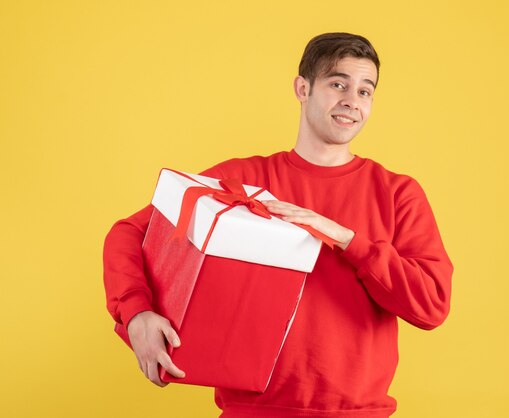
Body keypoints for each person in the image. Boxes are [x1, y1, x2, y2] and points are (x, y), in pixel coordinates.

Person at [103, 32, 453, 418]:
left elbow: (432, 304)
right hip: (252, 412)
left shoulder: (397, 193)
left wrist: (346, 239)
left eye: (365, 91)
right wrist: (136, 313)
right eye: (338, 84)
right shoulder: (243, 183)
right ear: (302, 88)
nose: (352, 101)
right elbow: (130, 232)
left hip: (359, 413)